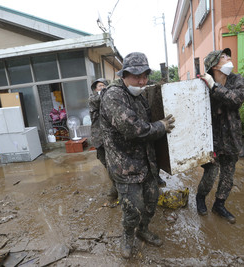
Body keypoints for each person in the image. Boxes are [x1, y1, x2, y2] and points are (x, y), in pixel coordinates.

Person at [100, 52, 175, 259]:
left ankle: (143, 229)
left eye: (144, 76)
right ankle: (127, 236)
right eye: (136, 76)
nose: (141, 81)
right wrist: (161, 126)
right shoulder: (114, 95)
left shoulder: (139, 96)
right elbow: (133, 129)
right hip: (124, 166)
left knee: (151, 203)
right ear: (123, 75)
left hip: (146, 163)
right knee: (132, 209)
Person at [197, 48, 244, 224]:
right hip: (212, 139)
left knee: (228, 175)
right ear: (214, 66)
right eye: (223, 57)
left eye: (228, 56)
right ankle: (200, 198)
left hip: (232, 137)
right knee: (211, 173)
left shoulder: (236, 79)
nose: (228, 59)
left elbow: (237, 99)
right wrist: (209, 85)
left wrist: (215, 87)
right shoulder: (202, 86)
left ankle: (219, 204)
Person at [88, 78, 118, 199]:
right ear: (95, 89)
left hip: (111, 138)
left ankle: (117, 188)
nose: (103, 87)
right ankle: (116, 186)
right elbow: (99, 99)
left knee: (115, 164)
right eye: (100, 86)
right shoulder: (93, 99)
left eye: (105, 85)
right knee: (105, 161)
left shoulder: (111, 98)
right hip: (99, 138)